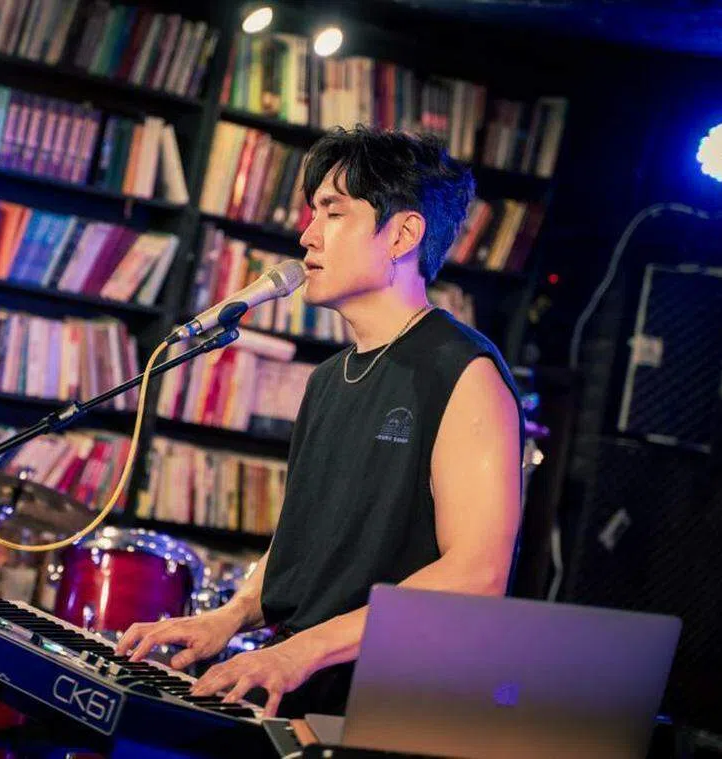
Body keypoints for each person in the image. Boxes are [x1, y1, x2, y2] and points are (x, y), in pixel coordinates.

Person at [116, 125, 525, 719]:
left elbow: (477, 574)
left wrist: (299, 652)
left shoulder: (463, 373)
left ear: (403, 234)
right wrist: (229, 616)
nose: (307, 235)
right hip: (301, 683)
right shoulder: (328, 378)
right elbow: (308, 546)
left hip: (381, 702)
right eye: (313, 213)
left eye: (333, 213)